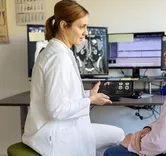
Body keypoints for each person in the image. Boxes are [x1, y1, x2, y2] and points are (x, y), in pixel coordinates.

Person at [22, 1, 124, 156]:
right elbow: (56, 110)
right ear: (64, 26)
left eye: (86, 27)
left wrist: (87, 94)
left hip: (55, 128)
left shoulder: (59, 50)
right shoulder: (58, 57)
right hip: (53, 135)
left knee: (115, 135)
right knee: (119, 135)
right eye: (81, 26)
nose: (86, 32)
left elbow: (62, 96)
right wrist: (90, 101)